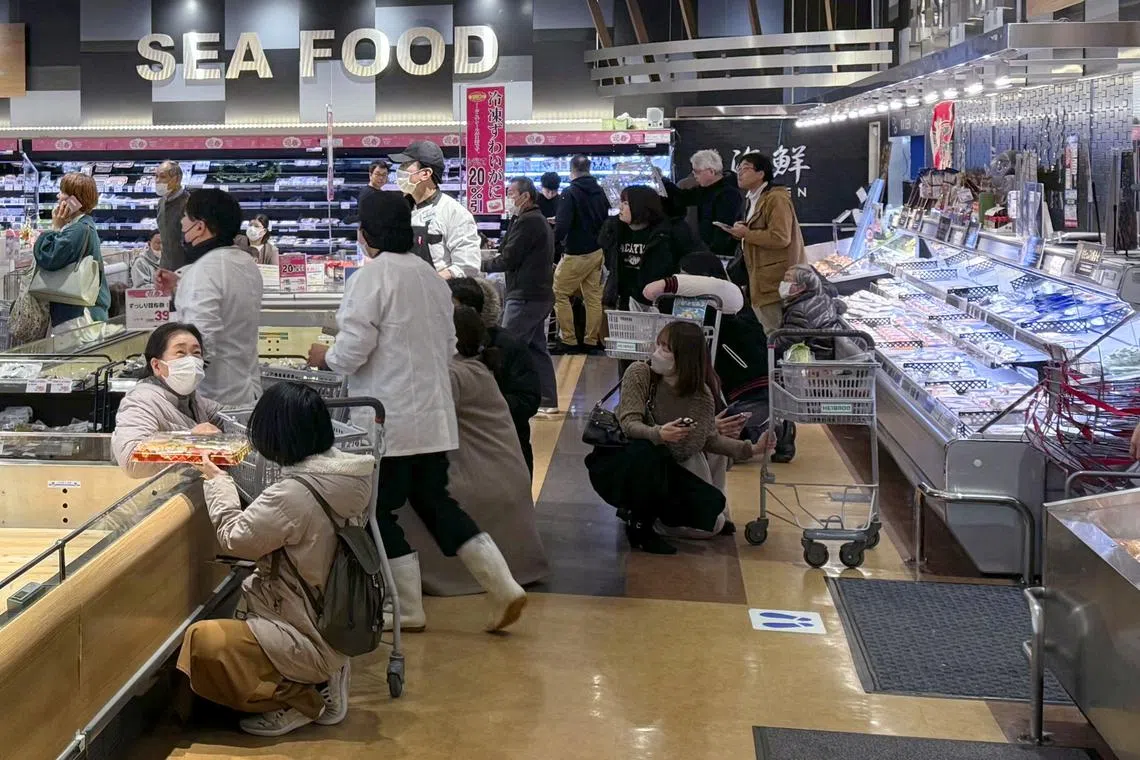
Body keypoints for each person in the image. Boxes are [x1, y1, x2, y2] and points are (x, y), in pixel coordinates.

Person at [306, 190, 526, 633]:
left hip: (389, 420)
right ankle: (503, 585)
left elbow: (353, 350)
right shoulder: (430, 278)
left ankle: (407, 608)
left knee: (378, 512)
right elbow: (449, 346)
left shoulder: (369, 278)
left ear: (365, 234)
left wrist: (322, 357)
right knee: (434, 500)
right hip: (433, 417)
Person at [179, 382, 370, 737]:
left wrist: (216, 479)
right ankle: (321, 673)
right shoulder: (348, 479)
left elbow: (236, 538)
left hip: (302, 630)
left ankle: (300, 699)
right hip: (331, 620)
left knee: (205, 641)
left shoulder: (294, 494)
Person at [398, 306, 550, 596]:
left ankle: (405, 598)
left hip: (477, 480)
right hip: (502, 476)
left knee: (399, 497)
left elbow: (416, 421)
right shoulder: (476, 367)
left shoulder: (451, 375)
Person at [586, 321, 770, 554]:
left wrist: (751, 449)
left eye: (666, 348)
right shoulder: (640, 373)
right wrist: (659, 433)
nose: (657, 352)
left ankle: (704, 513)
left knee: (712, 461)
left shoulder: (701, 394)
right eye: (659, 345)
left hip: (671, 460)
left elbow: (709, 439)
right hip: (627, 459)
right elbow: (629, 424)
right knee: (648, 451)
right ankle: (643, 523)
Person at [155, 189, 262, 407]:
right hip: (247, 386)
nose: (182, 224)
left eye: (185, 217)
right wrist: (181, 285)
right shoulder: (245, 263)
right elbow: (227, 302)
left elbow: (200, 341)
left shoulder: (204, 271)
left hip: (215, 397)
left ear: (200, 227)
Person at [481, 176, 558, 414]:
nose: (508, 197)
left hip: (526, 295)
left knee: (504, 346)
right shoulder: (528, 219)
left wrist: (479, 264)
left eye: (511, 193)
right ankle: (547, 399)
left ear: (526, 196)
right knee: (536, 348)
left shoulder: (529, 222)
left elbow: (509, 258)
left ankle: (498, 401)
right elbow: (507, 250)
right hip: (538, 293)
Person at [449, 278, 541, 475]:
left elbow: (528, 399)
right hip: (460, 456)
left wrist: (483, 405)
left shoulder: (507, 345)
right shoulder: (439, 347)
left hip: (504, 450)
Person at [111, 322, 222, 479]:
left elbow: (228, 416)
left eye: (196, 353)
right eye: (180, 353)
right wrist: (189, 440)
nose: (191, 361)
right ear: (157, 365)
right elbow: (132, 460)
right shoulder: (140, 400)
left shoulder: (193, 399)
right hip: (158, 494)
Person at [768, 264, 849, 463]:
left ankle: (784, 443)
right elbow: (841, 306)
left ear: (801, 287)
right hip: (824, 359)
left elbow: (787, 340)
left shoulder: (799, 310)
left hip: (809, 367)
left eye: (788, 281)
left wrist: (766, 343)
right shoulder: (822, 298)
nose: (783, 284)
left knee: (779, 395)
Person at [729, 152, 806, 333]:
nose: (740, 173)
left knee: (778, 334)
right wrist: (739, 231)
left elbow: (781, 237)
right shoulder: (752, 199)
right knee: (768, 332)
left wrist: (747, 233)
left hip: (776, 282)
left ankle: (778, 362)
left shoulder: (775, 198)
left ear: (761, 173)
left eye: (746, 168)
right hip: (760, 280)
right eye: (738, 169)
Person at [388, 141, 480, 279]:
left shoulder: (454, 213)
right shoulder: (401, 211)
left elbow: (467, 266)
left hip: (438, 296)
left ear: (425, 173)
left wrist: (428, 283)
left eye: (406, 165)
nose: (400, 170)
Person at [32, 172, 110, 331]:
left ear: (73, 200)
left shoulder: (78, 230)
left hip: (80, 314)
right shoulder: (83, 225)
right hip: (85, 310)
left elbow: (48, 257)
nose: (58, 196)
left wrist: (55, 227)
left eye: (62, 192)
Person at [600, 185, 697, 312]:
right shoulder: (615, 229)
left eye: (625, 203)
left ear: (639, 206)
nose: (620, 208)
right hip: (622, 299)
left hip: (657, 301)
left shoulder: (666, 233)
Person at [552, 155, 610, 354]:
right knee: (593, 297)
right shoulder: (601, 191)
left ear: (572, 170)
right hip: (597, 250)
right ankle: (591, 341)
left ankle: (568, 339)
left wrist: (552, 242)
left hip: (576, 252)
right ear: (589, 168)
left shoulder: (570, 192)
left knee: (560, 293)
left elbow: (562, 226)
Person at [662, 149, 743, 258]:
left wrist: (711, 253)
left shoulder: (729, 194)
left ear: (711, 171)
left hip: (722, 254)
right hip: (706, 249)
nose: (694, 175)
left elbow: (723, 229)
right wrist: (663, 181)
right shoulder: (705, 189)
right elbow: (682, 197)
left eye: (697, 171)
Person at [155, 159, 190, 271]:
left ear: (176, 179)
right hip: (166, 266)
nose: (157, 181)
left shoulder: (189, 203)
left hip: (185, 268)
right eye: (156, 176)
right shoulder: (161, 203)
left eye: (162, 177)